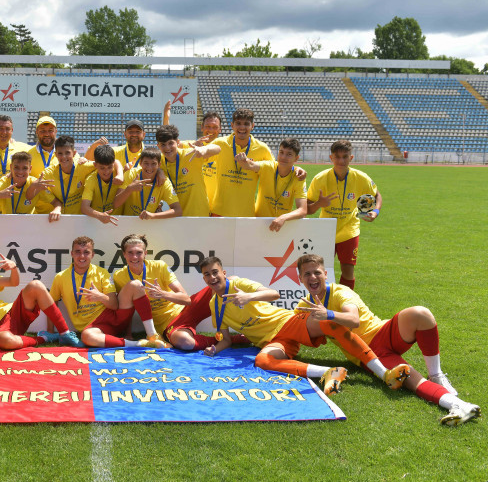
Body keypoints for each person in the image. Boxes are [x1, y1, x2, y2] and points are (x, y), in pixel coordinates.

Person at [167, 256, 411, 396]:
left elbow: (273, 294)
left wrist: (248, 297)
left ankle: (384, 373)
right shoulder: (214, 305)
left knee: (328, 321)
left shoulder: (239, 284)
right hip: (275, 342)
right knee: (262, 361)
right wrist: (214, 350)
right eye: (207, 275)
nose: (212, 278)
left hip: (287, 323)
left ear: (223, 272)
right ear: (203, 278)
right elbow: (227, 339)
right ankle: (328, 372)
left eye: (215, 272)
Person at [295, 254, 480, 426]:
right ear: (300, 279)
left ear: (325, 274)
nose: (313, 277)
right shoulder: (303, 306)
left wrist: (326, 314)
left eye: (317, 272)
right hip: (369, 355)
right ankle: (459, 405)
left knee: (421, 314)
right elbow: (290, 331)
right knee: (409, 378)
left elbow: (354, 319)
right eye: (307, 274)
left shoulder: (340, 292)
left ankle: (436, 375)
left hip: (382, 331)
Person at [47, 237, 154, 348]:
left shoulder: (102, 273)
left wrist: (100, 296)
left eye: (86, 252)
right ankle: (139, 344)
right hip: (94, 328)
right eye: (78, 252)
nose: (82, 256)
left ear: (92, 255)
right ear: (71, 254)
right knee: (87, 336)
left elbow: (114, 305)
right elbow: (52, 304)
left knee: (135, 284)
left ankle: (153, 335)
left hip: (114, 318)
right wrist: (50, 331)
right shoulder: (60, 277)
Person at [306, 139, 382, 290]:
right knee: (318, 270)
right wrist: (319, 204)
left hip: (349, 229)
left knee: (348, 270)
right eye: (337, 156)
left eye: (345, 156)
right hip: (326, 229)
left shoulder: (361, 178)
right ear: (331, 158)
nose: (341, 160)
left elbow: (377, 195)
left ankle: (345, 303)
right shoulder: (320, 179)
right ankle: (321, 302)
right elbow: (307, 209)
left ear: (351, 158)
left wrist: (375, 211)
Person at [113, 234, 190, 347]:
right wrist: (128, 334)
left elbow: (186, 298)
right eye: (130, 253)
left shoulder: (159, 266)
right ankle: (153, 336)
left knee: (185, 343)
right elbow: (126, 308)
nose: (134, 257)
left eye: (139, 253)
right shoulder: (119, 276)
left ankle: (220, 341)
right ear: (124, 254)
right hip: (160, 326)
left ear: (145, 253)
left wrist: (162, 294)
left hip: (180, 315)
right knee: (185, 343)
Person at [210, 108, 275, 217]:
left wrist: (296, 169)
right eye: (238, 123)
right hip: (220, 210)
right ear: (232, 125)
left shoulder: (262, 148)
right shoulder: (220, 143)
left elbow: (276, 168)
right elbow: (201, 154)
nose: (242, 127)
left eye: (246, 124)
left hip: (246, 213)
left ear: (252, 126)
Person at [238, 138, 308, 232]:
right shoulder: (268, 167)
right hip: (259, 222)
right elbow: (250, 165)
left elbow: (303, 210)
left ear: (296, 158)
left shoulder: (298, 177)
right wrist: (243, 160)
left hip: (281, 226)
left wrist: (283, 218)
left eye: (289, 154)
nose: (283, 157)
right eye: (281, 152)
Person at [26, 136, 99, 222]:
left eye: (67, 153)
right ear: (56, 154)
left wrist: (119, 175)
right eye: (60, 153)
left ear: (74, 153)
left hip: (81, 221)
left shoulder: (83, 166)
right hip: (59, 221)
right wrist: (33, 186)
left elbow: (109, 163)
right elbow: (29, 197)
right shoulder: (48, 173)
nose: (63, 157)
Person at [155, 125, 215, 217]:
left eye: (171, 143)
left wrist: (204, 149)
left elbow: (218, 149)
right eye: (163, 144)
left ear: (178, 142)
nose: (167, 148)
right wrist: (159, 170)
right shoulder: (159, 162)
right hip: (176, 216)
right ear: (158, 146)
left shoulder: (190, 154)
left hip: (199, 214)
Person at [113, 148, 181, 219]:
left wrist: (153, 215)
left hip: (150, 224)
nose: (149, 167)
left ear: (159, 164)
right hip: (129, 224)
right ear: (140, 163)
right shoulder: (131, 175)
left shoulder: (164, 182)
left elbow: (178, 210)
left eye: (153, 164)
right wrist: (129, 189)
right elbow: (115, 204)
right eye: (146, 163)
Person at [80, 144, 121, 225]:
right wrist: (99, 215)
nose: (106, 172)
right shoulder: (90, 179)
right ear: (95, 165)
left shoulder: (119, 175)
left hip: (118, 222)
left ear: (113, 163)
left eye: (109, 167)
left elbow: (118, 162)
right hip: (96, 222)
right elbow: (84, 207)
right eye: (102, 168)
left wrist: (120, 174)